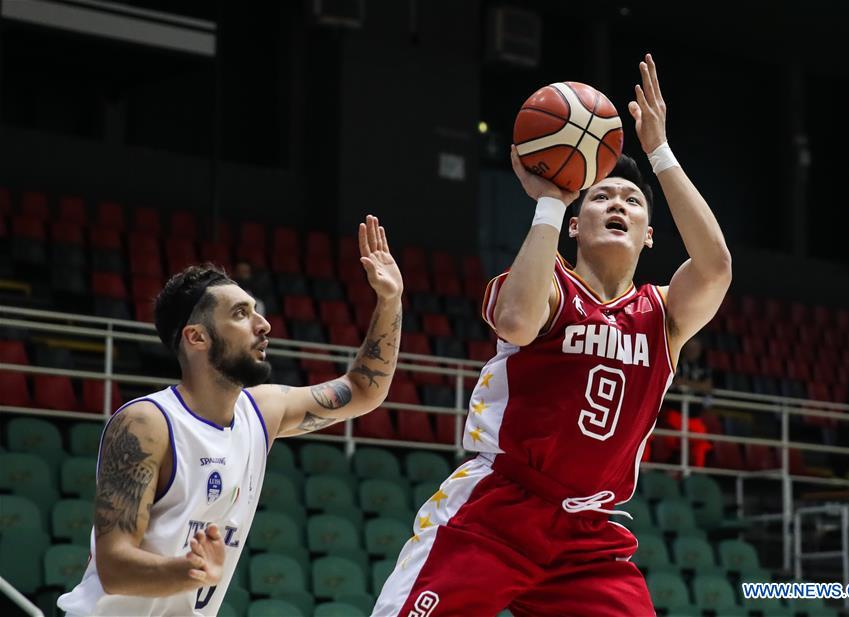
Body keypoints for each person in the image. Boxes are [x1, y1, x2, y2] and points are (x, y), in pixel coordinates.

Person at [373, 54, 731, 616]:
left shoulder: (663, 313)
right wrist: (549, 200)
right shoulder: (550, 285)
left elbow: (715, 267)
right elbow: (517, 322)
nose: (618, 204)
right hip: (499, 510)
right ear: (574, 225)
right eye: (601, 197)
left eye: (632, 201)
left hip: (588, 532)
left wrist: (660, 152)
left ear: (649, 235)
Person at [58, 216, 403, 616]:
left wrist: (390, 300)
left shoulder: (262, 411)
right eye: (241, 314)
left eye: (256, 311)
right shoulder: (147, 423)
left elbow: (364, 389)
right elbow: (114, 568)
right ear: (197, 337)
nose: (264, 324)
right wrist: (189, 571)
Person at [664, 336, 714, 467]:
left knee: (702, 444)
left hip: (694, 417)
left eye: (696, 348)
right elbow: (676, 382)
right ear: (685, 347)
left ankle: (696, 474)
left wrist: (686, 383)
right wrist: (697, 385)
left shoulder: (703, 367)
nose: (693, 351)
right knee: (670, 440)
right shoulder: (676, 361)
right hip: (674, 413)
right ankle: (667, 469)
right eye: (690, 348)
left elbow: (708, 387)